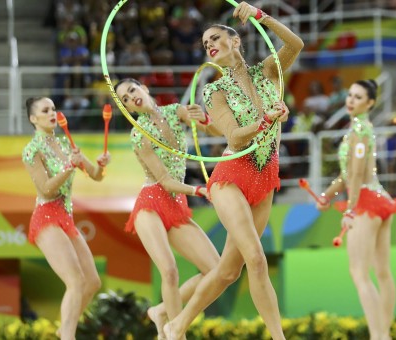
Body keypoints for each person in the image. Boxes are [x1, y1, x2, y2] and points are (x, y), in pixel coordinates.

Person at [163, 2, 303, 339]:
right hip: (232, 176)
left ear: (235, 41)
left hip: (266, 176)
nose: (208, 44)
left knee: (228, 272)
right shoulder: (214, 90)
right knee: (256, 258)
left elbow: (295, 44)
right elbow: (234, 138)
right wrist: (266, 120)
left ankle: (175, 325)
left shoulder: (268, 70)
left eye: (214, 38)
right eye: (204, 43)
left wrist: (260, 16)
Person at [114, 78, 221, 339]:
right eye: (125, 100)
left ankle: (161, 311)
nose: (131, 97)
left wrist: (204, 119)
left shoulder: (175, 111)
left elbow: (215, 131)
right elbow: (165, 180)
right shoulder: (139, 135)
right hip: (151, 203)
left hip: (175, 205)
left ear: (145, 88)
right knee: (170, 270)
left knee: (217, 270)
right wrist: (197, 190)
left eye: (132, 90)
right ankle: (177, 333)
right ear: (127, 109)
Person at [316, 79, 396, 340]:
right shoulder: (359, 129)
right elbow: (347, 175)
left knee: (359, 273)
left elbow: (355, 174)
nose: (351, 100)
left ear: (370, 103)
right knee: (382, 272)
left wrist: (350, 210)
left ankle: (379, 336)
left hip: (365, 202)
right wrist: (327, 195)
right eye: (350, 95)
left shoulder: (360, 131)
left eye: (358, 97)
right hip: (376, 197)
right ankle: (383, 332)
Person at [21, 97, 111, 340]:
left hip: (65, 218)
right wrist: (68, 167)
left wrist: (101, 165)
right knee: (75, 281)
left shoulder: (64, 144)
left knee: (91, 282)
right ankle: (67, 336)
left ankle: (64, 328)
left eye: (53, 108)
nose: (52, 112)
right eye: (45, 110)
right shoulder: (32, 150)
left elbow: (96, 176)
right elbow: (46, 189)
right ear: (33, 119)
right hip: (46, 216)